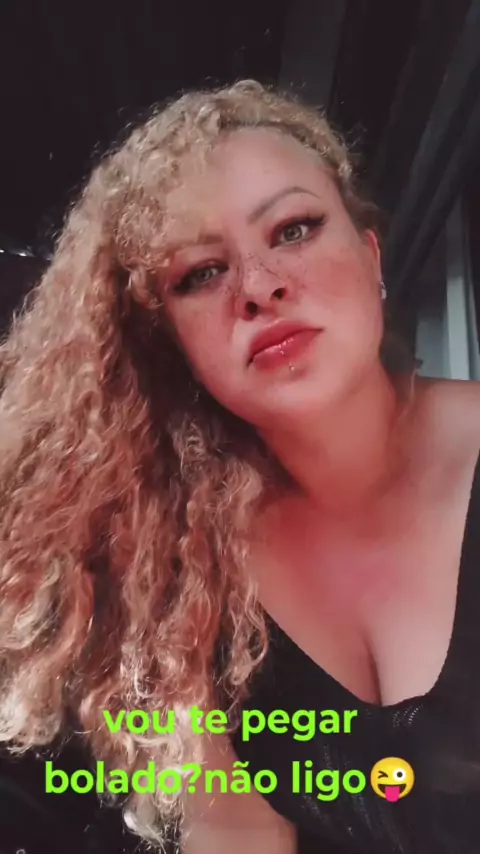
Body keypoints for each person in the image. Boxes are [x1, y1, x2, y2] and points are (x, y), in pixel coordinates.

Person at [0, 78, 479, 854]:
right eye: (200, 273)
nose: (259, 287)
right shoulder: (181, 584)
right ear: (170, 344)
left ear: (371, 257)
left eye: (293, 229)